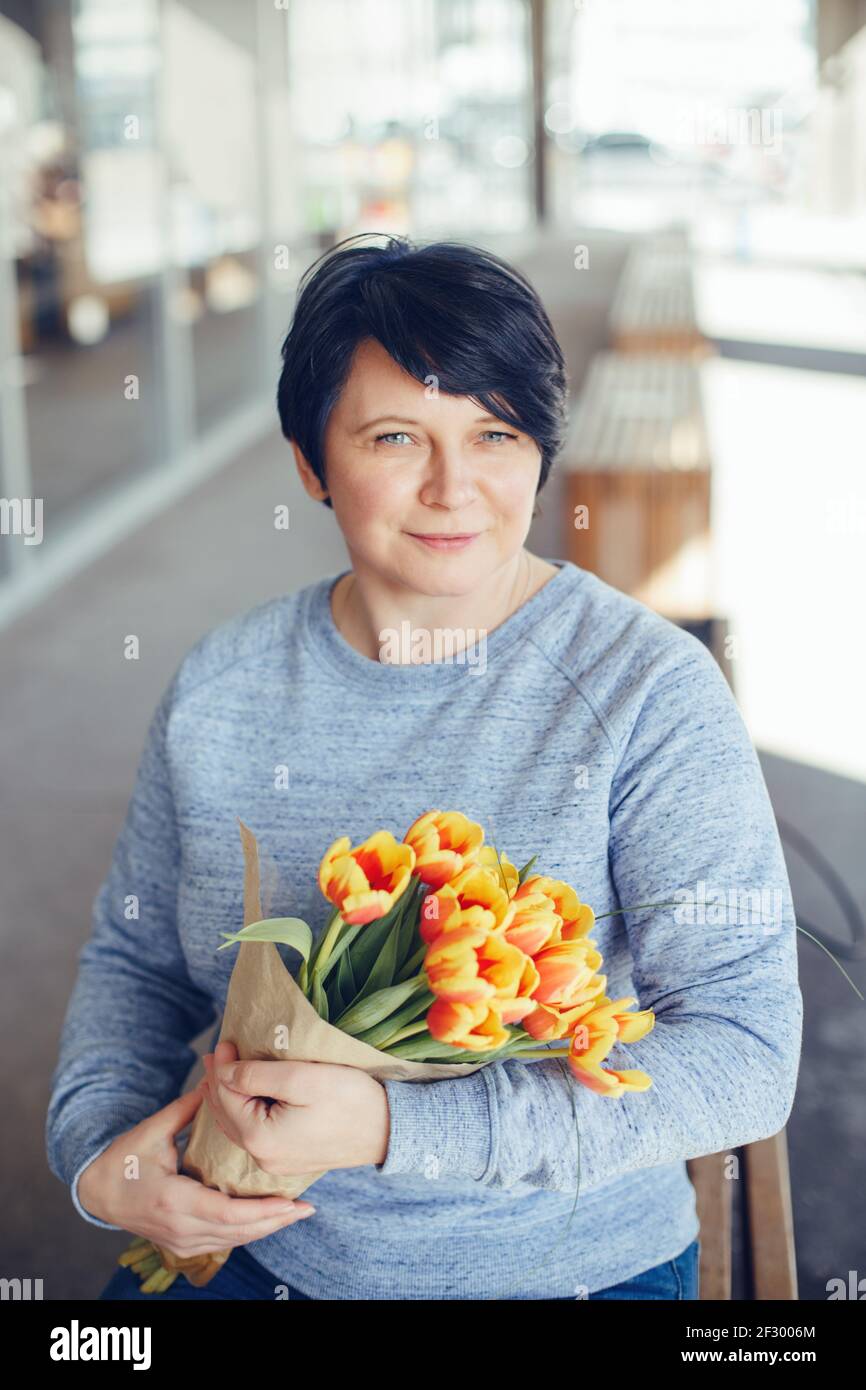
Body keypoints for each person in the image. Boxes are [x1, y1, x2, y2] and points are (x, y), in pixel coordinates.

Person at [46, 233, 802, 1301]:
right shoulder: (223, 686)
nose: (455, 487)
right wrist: (99, 1159)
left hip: (560, 1274)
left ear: (540, 451)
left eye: (494, 433)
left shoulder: (647, 693)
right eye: (396, 435)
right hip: (249, 1252)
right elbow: (134, 965)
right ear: (310, 462)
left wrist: (397, 1128)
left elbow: (741, 1052)